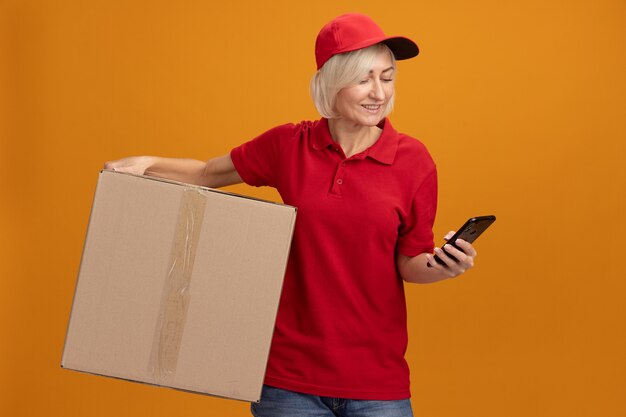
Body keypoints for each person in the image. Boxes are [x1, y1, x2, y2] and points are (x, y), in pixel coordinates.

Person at [105, 13, 478, 417]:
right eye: (363, 79)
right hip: (287, 380)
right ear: (331, 84)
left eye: (387, 78)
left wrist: (443, 266)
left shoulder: (414, 160)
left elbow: (410, 261)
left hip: (376, 381)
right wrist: (144, 163)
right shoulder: (289, 146)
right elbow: (208, 173)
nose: (378, 92)